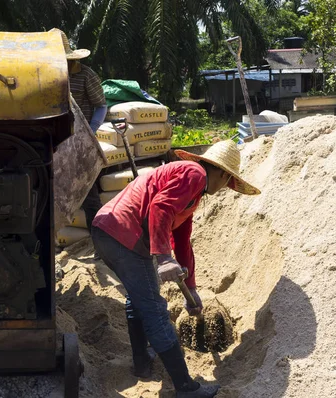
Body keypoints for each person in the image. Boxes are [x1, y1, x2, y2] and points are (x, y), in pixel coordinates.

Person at [91, 140, 260, 397]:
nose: (225, 188)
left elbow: (182, 242)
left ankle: (142, 362)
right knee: (156, 311)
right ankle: (186, 387)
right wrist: (162, 257)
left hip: (108, 232)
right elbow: (160, 207)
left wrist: (191, 291)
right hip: (124, 235)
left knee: (138, 300)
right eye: (228, 183)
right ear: (224, 174)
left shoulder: (192, 195)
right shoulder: (195, 174)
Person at [51, 28, 107, 233]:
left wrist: (90, 132)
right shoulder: (48, 74)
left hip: (79, 142)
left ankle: (99, 243)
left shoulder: (85, 75)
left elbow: (101, 105)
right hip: (54, 142)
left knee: (88, 195)